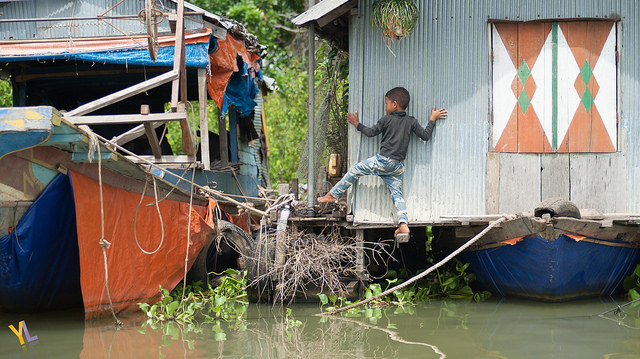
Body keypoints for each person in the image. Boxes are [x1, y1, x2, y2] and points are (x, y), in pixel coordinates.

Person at [318, 87, 447, 239]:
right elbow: (425, 136)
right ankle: (403, 224)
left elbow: (371, 132)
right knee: (397, 195)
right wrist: (432, 119)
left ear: (394, 104)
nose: (385, 107)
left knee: (356, 169)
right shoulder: (411, 121)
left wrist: (356, 124)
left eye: (386, 103)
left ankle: (334, 194)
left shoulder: (386, 119)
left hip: (383, 161)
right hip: (397, 166)